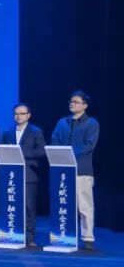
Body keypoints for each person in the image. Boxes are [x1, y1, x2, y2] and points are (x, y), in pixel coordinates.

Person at [50, 90, 100, 251]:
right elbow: (55, 140)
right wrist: (61, 155)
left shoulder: (91, 123)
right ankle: (64, 234)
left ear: (85, 105)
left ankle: (87, 237)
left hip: (82, 170)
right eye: (71, 102)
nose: (72, 104)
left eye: (76, 102)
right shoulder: (62, 122)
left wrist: (69, 154)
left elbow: (88, 145)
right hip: (63, 170)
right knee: (64, 204)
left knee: (84, 206)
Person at [1, 103, 47, 248]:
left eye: (22, 113)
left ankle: (29, 237)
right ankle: (13, 234)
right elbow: (2, 150)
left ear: (28, 115)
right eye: (16, 113)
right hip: (11, 176)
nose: (18, 116)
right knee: (12, 205)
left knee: (29, 207)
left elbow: (42, 151)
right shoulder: (8, 133)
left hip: (29, 174)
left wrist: (21, 153)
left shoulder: (36, 131)